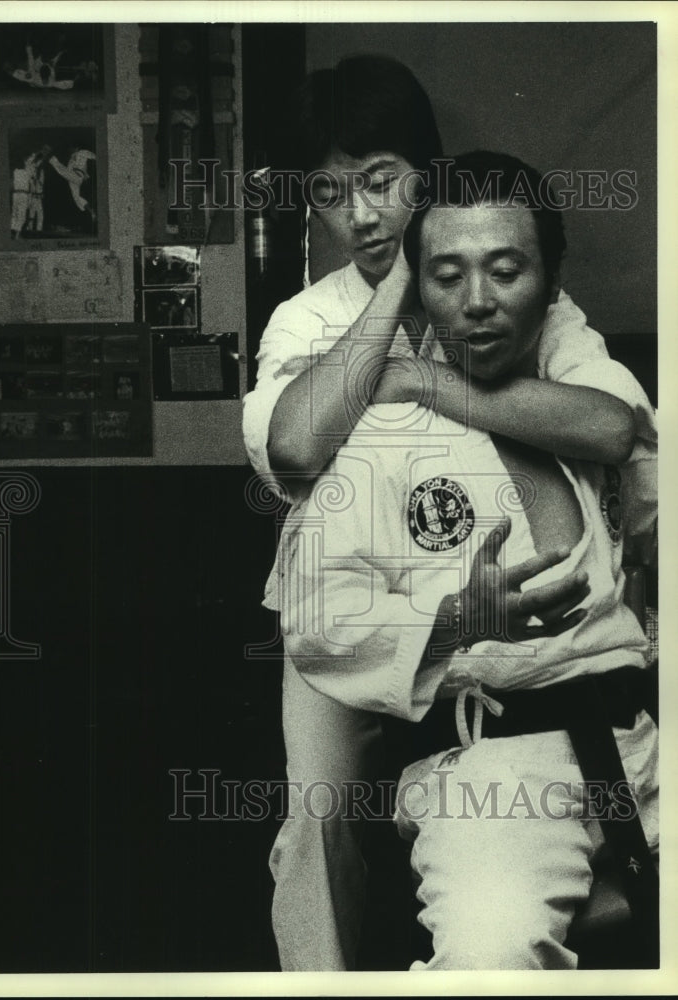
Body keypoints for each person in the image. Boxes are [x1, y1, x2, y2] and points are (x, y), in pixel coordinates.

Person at [241, 56, 655, 971]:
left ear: (426, 172)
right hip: (352, 592)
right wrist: (395, 294)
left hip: (537, 636)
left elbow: (608, 423)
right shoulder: (307, 321)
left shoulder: (508, 288)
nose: (359, 215)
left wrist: (431, 371)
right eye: (328, 192)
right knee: (316, 826)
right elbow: (299, 448)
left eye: (382, 182)